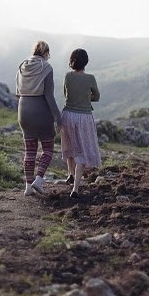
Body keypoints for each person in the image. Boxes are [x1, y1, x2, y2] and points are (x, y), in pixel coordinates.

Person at [15, 40, 62, 196]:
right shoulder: (46, 67)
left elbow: (18, 90)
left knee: (30, 151)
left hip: (23, 110)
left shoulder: (22, 65)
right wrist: (58, 117)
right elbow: (49, 95)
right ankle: (39, 180)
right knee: (48, 148)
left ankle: (28, 186)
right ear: (46, 53)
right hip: (40, 110)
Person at [60, 48, 102, 197]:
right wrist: (85, 98)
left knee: (69, 145)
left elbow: (65, 94)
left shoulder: (67, 76)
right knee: (82, 150)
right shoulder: (90, 78)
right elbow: (96, 97)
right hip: (83, 117)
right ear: (86, 62)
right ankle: (75, 188)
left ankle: (69, 174)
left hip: (67, 115)